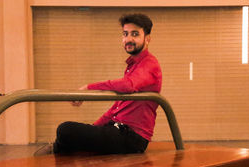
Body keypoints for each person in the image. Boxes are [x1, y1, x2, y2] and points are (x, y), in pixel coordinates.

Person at [37, 13, 162, 155]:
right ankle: (58, 154)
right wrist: (93, 127)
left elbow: (127, 85)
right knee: (69, 134)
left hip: (132, 137)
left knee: (65, 130)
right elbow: (117, 108)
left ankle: (55, 152)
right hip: (118, 130)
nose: (128, 39)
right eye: (125, 34)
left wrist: (88, 88)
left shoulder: (149, 64)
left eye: (135, 34)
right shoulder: (133, 66)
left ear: (147, 39)